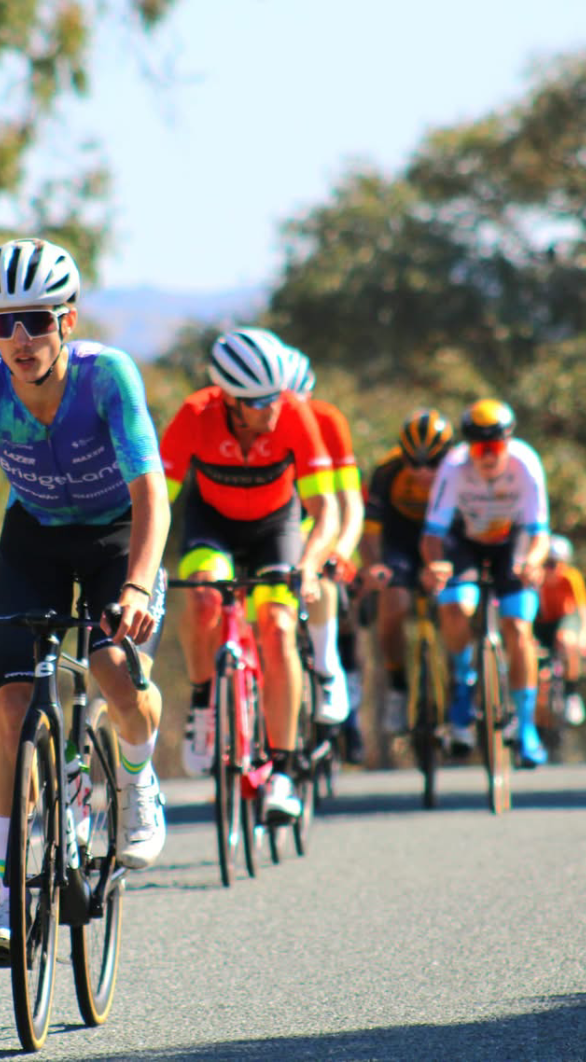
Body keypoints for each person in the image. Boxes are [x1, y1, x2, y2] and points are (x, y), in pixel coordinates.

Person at [0, 237, 170, 959]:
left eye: (37, 321)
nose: (19, 339)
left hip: (116, 534)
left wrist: (138, 582)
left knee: (111, 665)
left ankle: (137, 780)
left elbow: (150, 493)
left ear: (67, 323)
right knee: (12, 706)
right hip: (36, 536)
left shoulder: (108, 376)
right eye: (3, 323)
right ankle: (13, 889)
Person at [161, 327, 338, 820]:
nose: (273, 409)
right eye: (260, 401)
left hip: (275, 527)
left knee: (278, 627)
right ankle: (203, 705)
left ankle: (281, 771)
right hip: (210, 522)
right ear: (230, 400)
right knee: (202, 598)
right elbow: (158, 500)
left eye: (276, 396)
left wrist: (308, 564)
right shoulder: (196, 415)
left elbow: (327, 510)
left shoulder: (295, 415)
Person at [420, 399, 551, 767]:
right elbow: (432, 533)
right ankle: (464, 682)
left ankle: (525, 727)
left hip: (513, 543)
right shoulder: (453, 467)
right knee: (455, 606)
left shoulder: (526, 464)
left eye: (495, 447)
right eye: (479, 448)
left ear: (509, 442)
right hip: (464, 542)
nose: (488, 456)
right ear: (468, 447)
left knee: (518, 626)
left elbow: (539, 532)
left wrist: (533, 563)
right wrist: (437, 564)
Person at [278, 347, 365, 758]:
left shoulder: (329, 422)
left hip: (319, 521)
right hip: (276, 522)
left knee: (324, 583)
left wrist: (342, 551)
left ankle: (329, 670)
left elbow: (350, 502)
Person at [359, 409, 456, 739]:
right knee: (394, 604)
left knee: (456, 604)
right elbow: (370, 531)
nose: (423, 471)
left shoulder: (461, 470)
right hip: (401, 539)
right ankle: (398, 685)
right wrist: (374, 566)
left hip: (447, 539)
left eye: (433, 462)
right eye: (414, 462)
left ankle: (463, 682)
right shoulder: (387, 472)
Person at [534, 535, 586, 726]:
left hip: (565, 620)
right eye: (548, 564)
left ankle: (571, 695)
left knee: (567, 640)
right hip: (541, 623)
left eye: (558, 564)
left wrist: (584, 639)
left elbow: (585, 614)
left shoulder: (571, 577)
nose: (553, 570)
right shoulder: (536, 579)